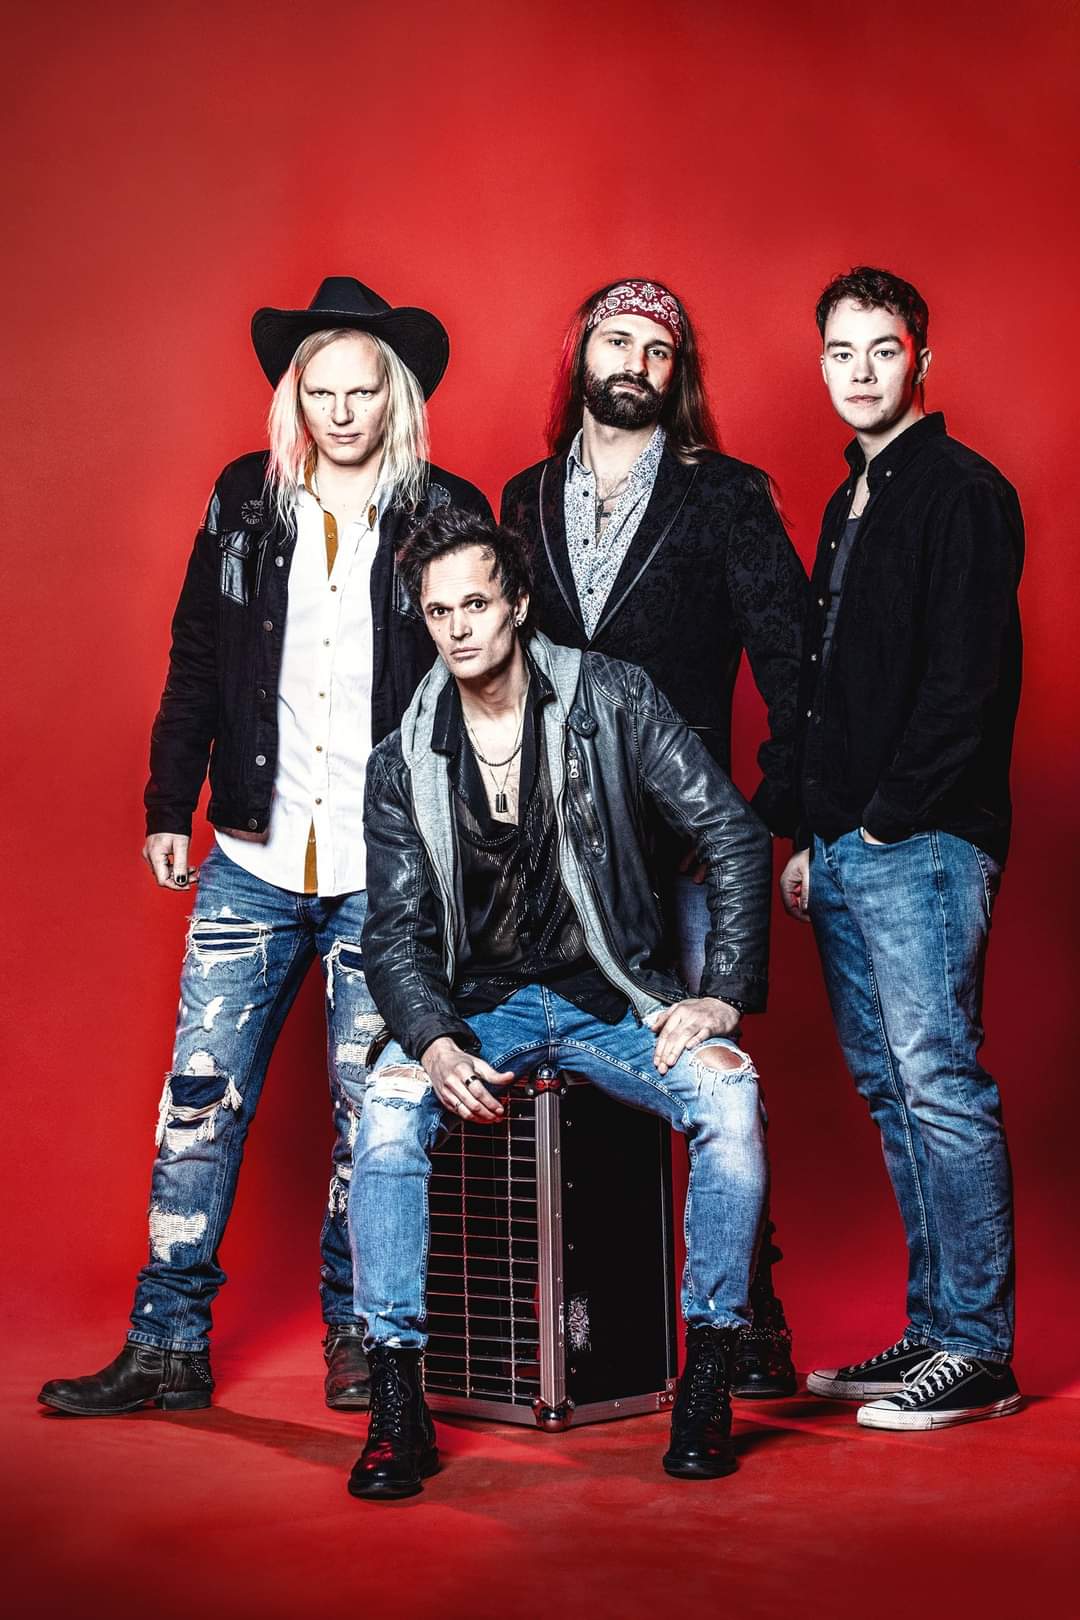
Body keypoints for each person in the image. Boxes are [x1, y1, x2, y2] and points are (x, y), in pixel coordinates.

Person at [38, 277, 492, 1418]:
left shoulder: (446, 512)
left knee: (375, 1119)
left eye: (361, 392)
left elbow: (489, 683)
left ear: (395, 398)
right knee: (198, 1106)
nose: (341, 413)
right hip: (252, 856)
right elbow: (197, 651)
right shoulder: (245, 500)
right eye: (320, 392)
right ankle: (166, 1345)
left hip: (387, 874)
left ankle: (361, 1337)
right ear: (297, 397)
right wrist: (167, 802)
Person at [343, 507, 773, 1498]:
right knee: (387, 1115)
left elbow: (733, 833)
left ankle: (709, 1372)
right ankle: (397, 1401)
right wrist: (433, 1042)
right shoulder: (402, 759)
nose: (458, 629)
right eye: (438, 612)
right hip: (478, 1009)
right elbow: (394, 936)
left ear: (520, 605)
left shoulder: (613, 698)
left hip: (607, 999)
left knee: (732, 1098)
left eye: (477, 605)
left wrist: (720, 995)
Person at [501, 278, 807, 1396]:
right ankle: (599, 1327)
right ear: (580, 356)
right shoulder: (525, 497)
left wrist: (774, 815)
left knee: (709, 1074)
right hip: (558, 855)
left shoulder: (725, 494)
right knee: (583, 1074)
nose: (634, 362)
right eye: (616, 340)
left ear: (677, 378)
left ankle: (750, 1319)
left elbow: (792, 666)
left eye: (658, 350)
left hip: (683, 846)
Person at [780, 267, 1023, 1430]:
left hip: (921, 844)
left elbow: (964, 685)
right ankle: (934, 1330)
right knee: (892, 1091)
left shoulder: (962, 492)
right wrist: (814, 837)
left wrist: (882, 822)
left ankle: (978, 1351)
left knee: (938, 1081)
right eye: (842, 352)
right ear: (822, 363)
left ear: (922, 360)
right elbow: (833, 689)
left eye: (884, 350)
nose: (862, 372)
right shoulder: (850, 501)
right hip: (845, 849)